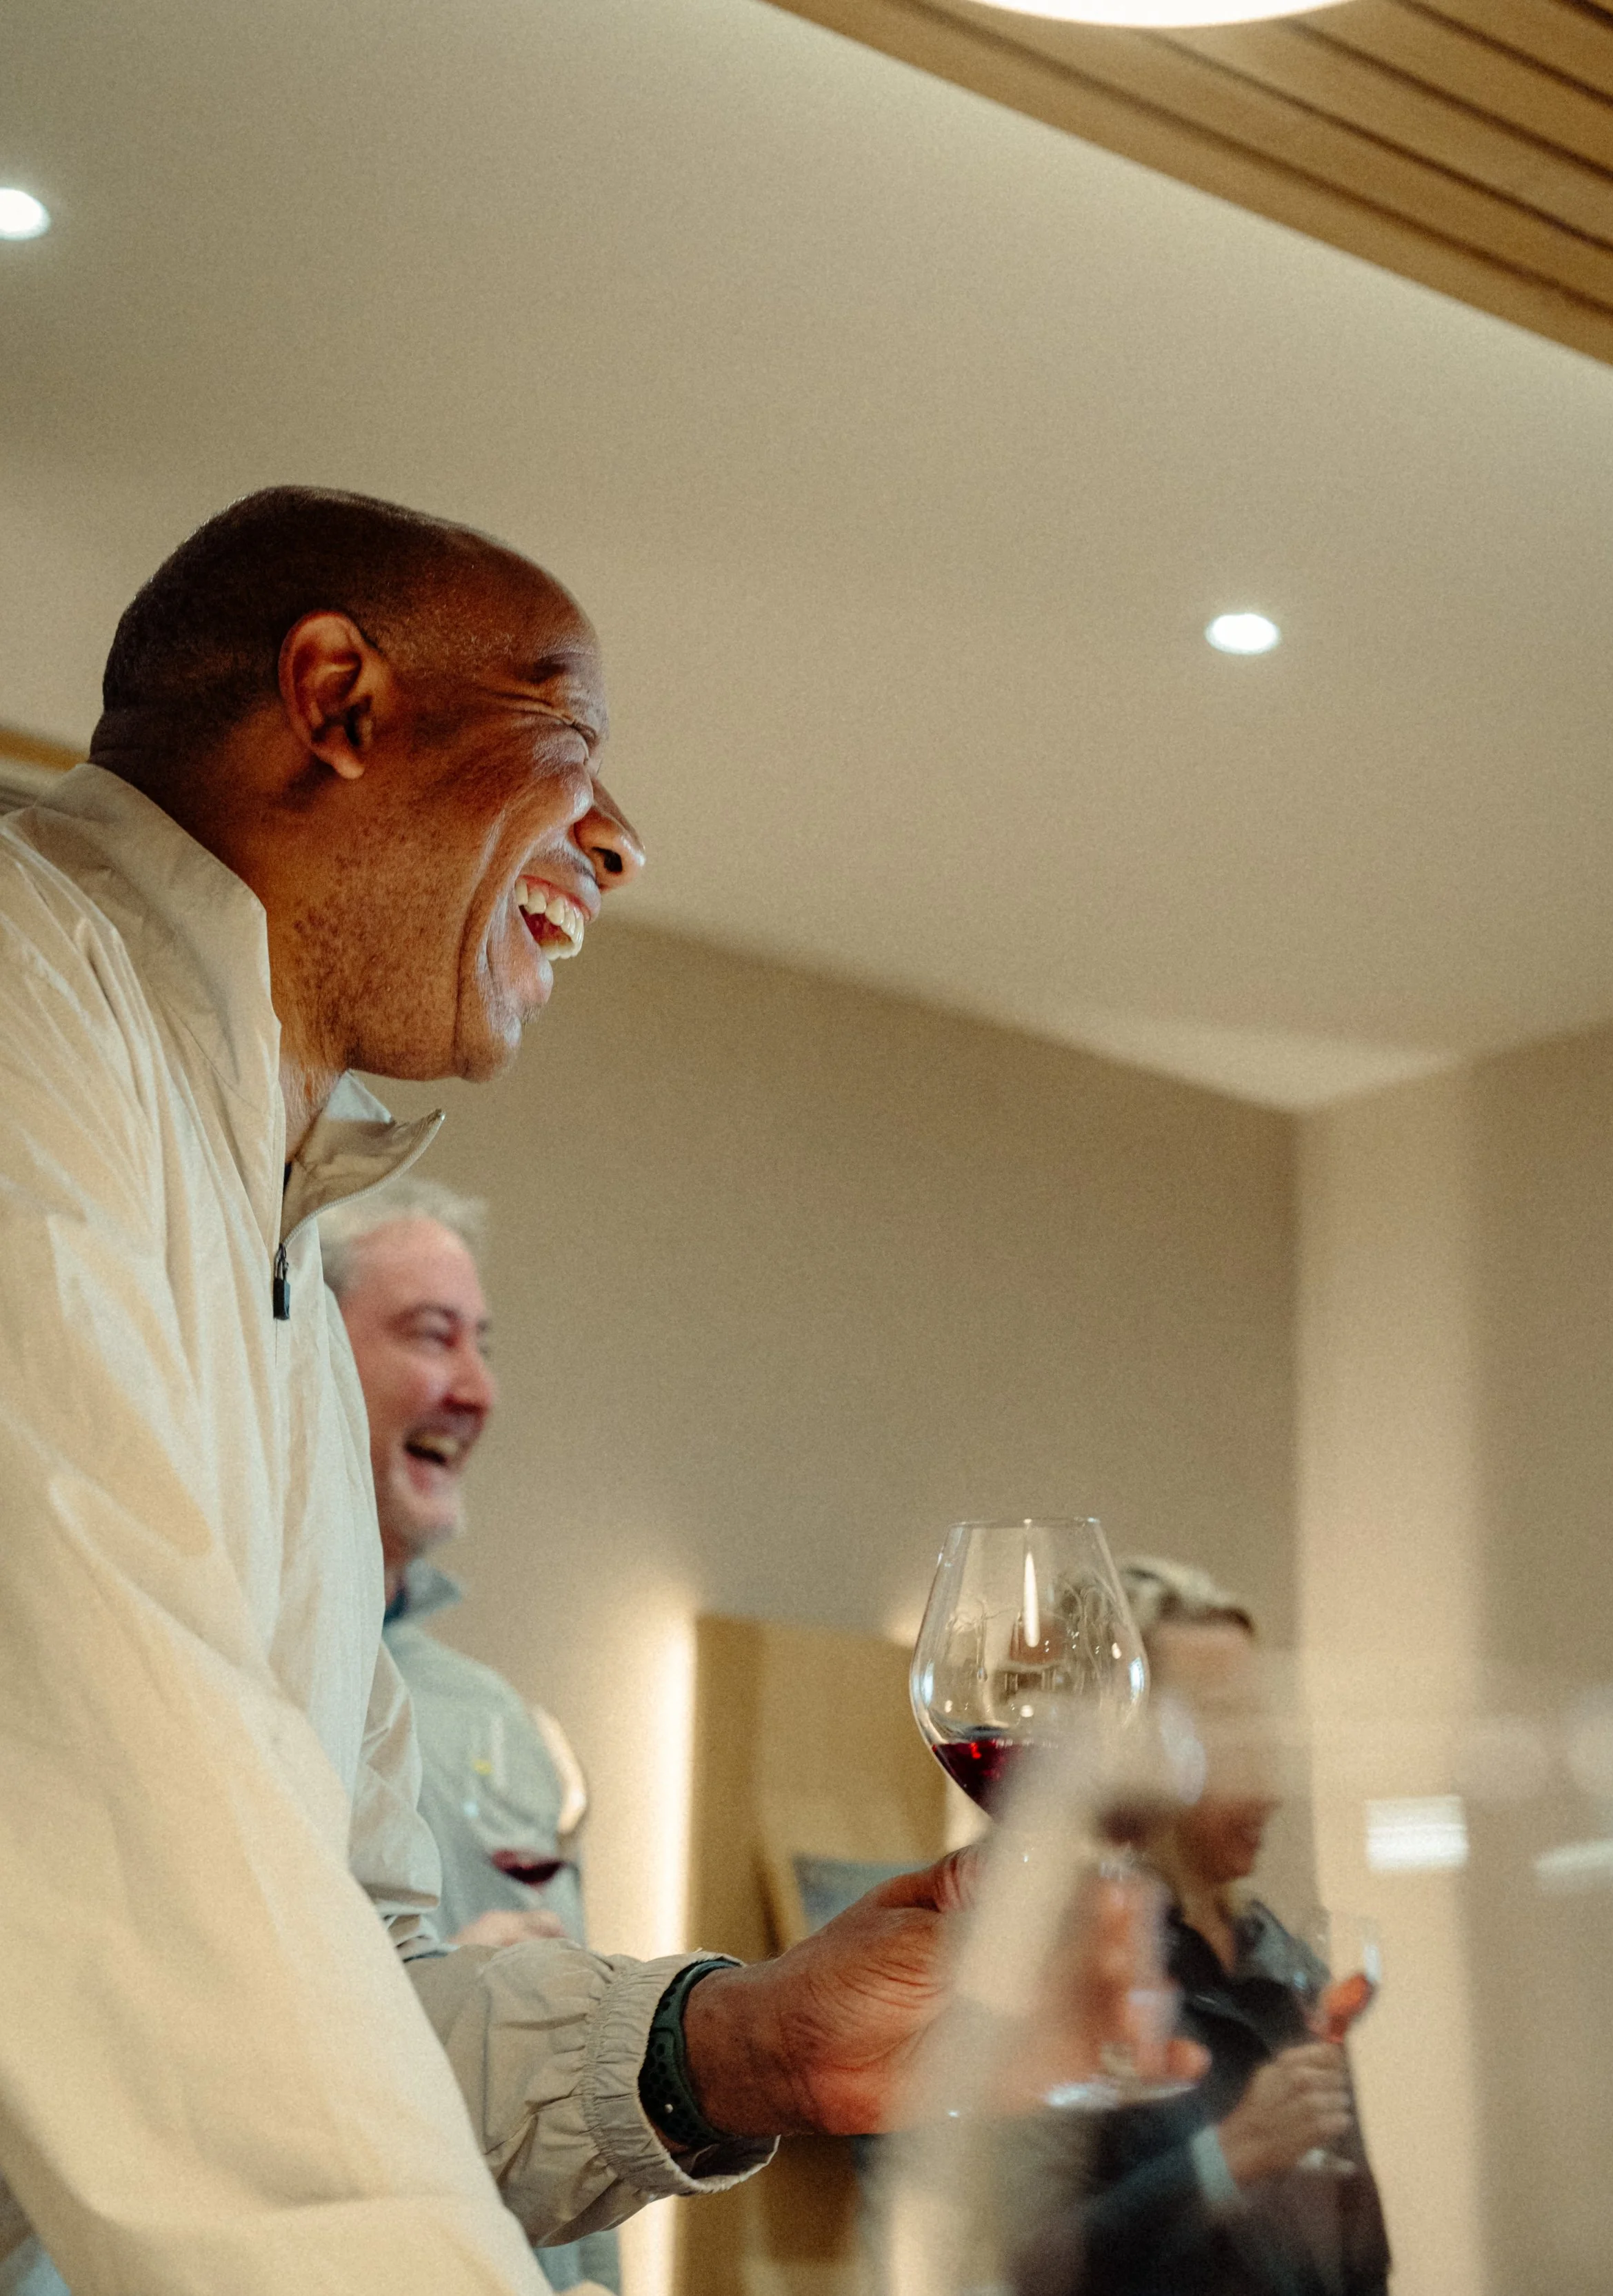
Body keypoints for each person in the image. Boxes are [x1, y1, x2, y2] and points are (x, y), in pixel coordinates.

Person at [0, 487, 1021, 2296]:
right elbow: (119, 1843)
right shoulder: (25, 1001)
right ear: (339, 701)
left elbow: (349, 1994)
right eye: (569, 736)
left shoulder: (290, 1312)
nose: (619, 844)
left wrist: (749, 2038)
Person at [320, 1174, 620, 2296]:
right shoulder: (218, 1680)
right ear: (301, 1355)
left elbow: (575, 2053)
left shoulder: (501, 1722)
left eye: (482, 1344)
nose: (477, 1389)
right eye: (429, 1336)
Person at [1054, 1558, 1391, 2296]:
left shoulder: (1290, 1969)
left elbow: (1363, 2264)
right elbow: (1008, 2268)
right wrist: (1226, 2159)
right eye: (1225, 1725)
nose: (1269, 1779)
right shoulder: (1054, 1972)